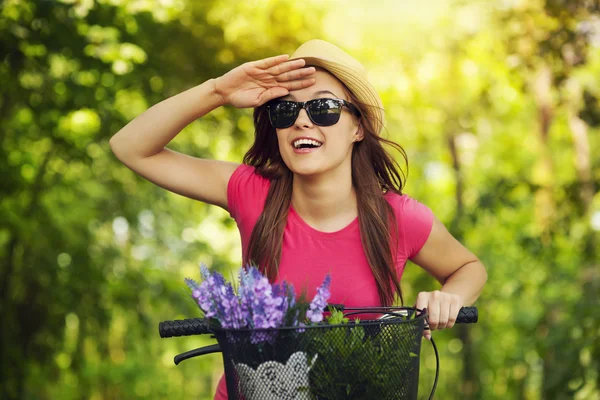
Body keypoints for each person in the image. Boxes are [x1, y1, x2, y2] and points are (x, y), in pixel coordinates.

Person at [109, 39, 487, 399]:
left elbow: (470, 268)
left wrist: (448, 299)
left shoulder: (399, 218)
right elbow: (130, 147)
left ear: (357, 127)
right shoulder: (251, 193)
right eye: (286, 110)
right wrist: (218, 92)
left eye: (323, 108)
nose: (302, 121)